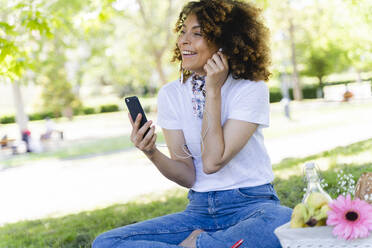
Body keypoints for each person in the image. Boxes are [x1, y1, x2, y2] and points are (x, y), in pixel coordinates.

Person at [93, 0, 292, 247]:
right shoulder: (171, 95)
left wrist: (213, 89)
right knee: (107, 242)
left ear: (225, 42)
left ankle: (198, 244)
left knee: (282, 219)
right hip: (199, 212)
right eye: (183, 31)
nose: (183, 40)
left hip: (252, 205)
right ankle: (206, 243)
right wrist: (151, 152)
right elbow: (187, 175)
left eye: (197, 33)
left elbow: (212, 162)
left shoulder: (251, 88)